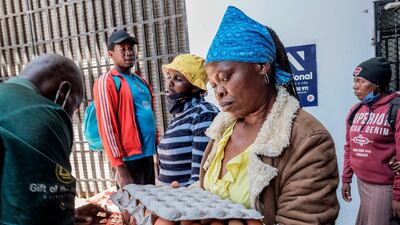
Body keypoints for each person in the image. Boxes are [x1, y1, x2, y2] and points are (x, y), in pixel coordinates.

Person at [198, 6, 339, 225]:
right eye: (213, 84)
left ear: (262, 66)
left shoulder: (308, 141)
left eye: (225, 77)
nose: (218, 91)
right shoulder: (222, 129)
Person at [0, 54, 103, 224]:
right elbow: (36, 216)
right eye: (74, 107)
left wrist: (69, 215)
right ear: (63, 93)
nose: (69, 116)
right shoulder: (39, 113)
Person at [93, 29, 157, 187]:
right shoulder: (106, 81)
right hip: (128, 160)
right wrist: (119, 168)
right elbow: (106, 126)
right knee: (132, 206)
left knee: (149, 205)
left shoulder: (139, 80)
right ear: (111, 54)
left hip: (147, 155)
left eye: (131, 48)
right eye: (123, 49)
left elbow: (149, 115)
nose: (129, 53)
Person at [341, 57, 400, 225]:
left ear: (377, 84)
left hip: (385, 188)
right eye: (355, 81)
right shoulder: (356, 110)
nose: (355, 86)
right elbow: (349, 147)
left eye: (360, 81)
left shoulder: (395, 110)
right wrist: (346, 179)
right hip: (362, 184)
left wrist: (398, 194)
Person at [157, 54, 219, 187]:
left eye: (178, 79)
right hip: (168, 200)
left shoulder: (203, 114)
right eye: (169, 77)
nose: (170, 82)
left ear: (195, 87)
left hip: (185, 202)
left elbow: (199, 178)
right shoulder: (180, 116)